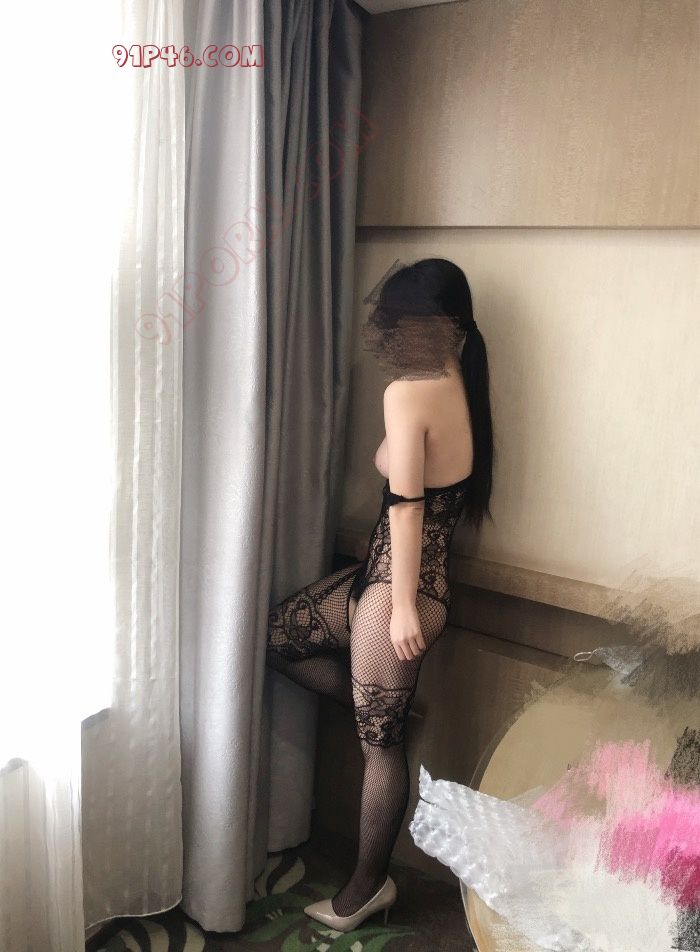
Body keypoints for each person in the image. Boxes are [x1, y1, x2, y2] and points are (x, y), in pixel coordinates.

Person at [265, 257, 494, 932]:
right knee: (278, 635)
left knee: (379, 752)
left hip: (398, 590)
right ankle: (386, 713)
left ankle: (365, 890)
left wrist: (397, 607)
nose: (389, 334)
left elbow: (407, 508)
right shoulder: (460, 382)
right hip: (395, 580)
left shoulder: (409, 392)